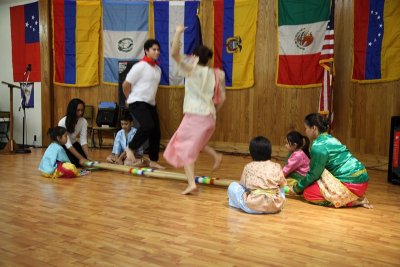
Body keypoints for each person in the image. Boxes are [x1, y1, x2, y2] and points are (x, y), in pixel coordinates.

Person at [163, 25, 226, 195]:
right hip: (210, 117)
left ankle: (191, 183)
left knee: (184, 147)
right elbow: (222, 99)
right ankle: (216, 156)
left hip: (195, 115)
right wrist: (211, 112)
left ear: (196, 57)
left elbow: (174, 53)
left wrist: (177, 32)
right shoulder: (217, 74)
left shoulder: (191, 69)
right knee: (197, 144)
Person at [289, 113, 372, 208]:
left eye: (306, 128)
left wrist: (296, 189)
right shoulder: (331, 138)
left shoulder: (318, 146)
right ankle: (352, 197)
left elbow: (314, 174)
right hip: (363, 180)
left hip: (352, 184)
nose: (305, 131)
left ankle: (351, 201)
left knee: (309, 193)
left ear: (314, 128)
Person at [122, 39, 164, 170]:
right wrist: (128, 99)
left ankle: (153, 160)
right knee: (148, 125)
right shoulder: (139, 66)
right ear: (146, 51)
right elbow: (125, 84)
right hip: (137, 101)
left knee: (156, 132)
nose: (157, 52)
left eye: (158, 50)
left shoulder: (157, 69)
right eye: (154, 49)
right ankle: (130, 148)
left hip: (150, 103)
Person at [227, 136, 286, 214]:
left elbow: (243, 185)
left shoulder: (248, 166)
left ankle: (238, 204)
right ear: (269, 151)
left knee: (232, 186)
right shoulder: (277, 166)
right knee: (281, 188)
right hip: (274, 206)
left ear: (252, 152)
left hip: (253, 206)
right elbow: (282, 184)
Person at [58, 98, 90, 167]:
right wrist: (81, 158)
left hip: (74, 143)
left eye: (82, 110)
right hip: (64, 146)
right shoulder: (62, 122)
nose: (81, 113)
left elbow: (83, 141)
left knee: (83, 162)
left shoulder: (83, 121)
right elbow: (68, 144)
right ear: (72, 110)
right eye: (78, 110)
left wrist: (88, 157)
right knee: (73, 164)